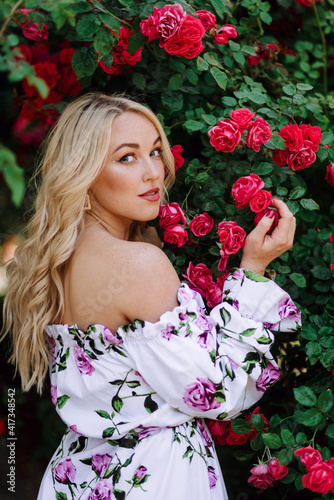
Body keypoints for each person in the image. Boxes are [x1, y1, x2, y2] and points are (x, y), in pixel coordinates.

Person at [1, 93, 301, 500]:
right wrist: (253, 273)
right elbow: (219, 392)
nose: (152, 173)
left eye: (155, 152)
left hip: (78, 477)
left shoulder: (51, 265)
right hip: (156, 479)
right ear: (84, 172)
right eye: (127, 157)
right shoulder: (139, 265)